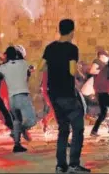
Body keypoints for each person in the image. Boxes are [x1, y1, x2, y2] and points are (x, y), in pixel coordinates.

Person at [38, 19, 90, 173]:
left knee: (63, 128)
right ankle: (74, 164)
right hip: (67, 93)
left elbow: (40, 66)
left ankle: (61, 165)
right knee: (78, 128)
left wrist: (54, 66)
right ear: (72, 32)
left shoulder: (50, 47)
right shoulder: (72, 48)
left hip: (53, 93)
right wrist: (78, 72)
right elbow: (72, 71)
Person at [0, 46, 37, 153]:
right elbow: (33, 68)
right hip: (22, 96)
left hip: (11, 98)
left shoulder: (3, 67)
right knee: (32, 120)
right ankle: (20, 130)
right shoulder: (23, 64)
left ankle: (17, 144)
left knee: (16, 120)